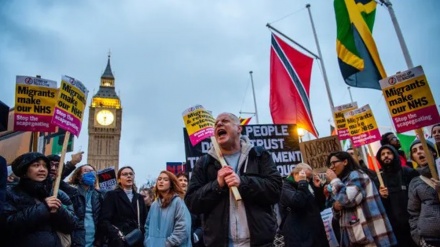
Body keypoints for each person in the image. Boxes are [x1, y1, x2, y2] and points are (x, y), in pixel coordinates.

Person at [185, 112, 282, 247]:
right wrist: (217, 185)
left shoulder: (259, 155)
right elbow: (192, 202)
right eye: (216, 123)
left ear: (239, 128)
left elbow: (275, 190)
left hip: (259, 243)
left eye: (225, 121)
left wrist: (243, 183)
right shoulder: (204, 163)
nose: (219, 124)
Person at [0, 152, 77, 247]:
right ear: (24, 171)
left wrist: (59, 209)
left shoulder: (58, 194)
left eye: (45, 166)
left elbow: (71, 225)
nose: (42, 169)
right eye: (36, 165)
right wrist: (43, 208)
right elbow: (8, 225)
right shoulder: (10, 193)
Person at [325, 151, 396, 246]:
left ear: (345, 162)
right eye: (330, 164)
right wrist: (335, 207)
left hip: (370, 237)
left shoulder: (356, 175)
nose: (331, 167)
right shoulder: (343, 181)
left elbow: (347, 200)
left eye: (334, 163)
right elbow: (337, 207)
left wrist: (334, 180)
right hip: (355, 237)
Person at [376, 145, 418, 247]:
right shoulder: (378, 178)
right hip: (394, 226)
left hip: (413, 222)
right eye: (383, 154)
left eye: (389, 153)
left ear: (394, 155)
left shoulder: (408, 172)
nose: (386, 156)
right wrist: (381, 196)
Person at [279, 163, 329, 247]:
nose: (307, 180)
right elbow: (297, 202)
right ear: (295, 174)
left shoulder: (307, 186)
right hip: (299, 237)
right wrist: (302, 183)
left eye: (309, 178)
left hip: (314, 234)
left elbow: (319, 206)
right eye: (305, 176)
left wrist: (317, 189)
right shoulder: (286, 187)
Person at [100, 166, 146, 247]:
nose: (129, 176)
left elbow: (144, 220)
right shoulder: (112, 195)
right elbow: (104, 220)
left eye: (131, 174)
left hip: (136, 240)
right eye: (125, 174)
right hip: (119, 241)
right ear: (119, 179)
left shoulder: (139, 198)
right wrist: (116, 235)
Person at [144, 170, 192, 247]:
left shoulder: (178, 202)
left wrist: (166, 244)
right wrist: (148, 242)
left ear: (171, 184)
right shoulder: (154, 205)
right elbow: (147, 226)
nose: (161, 181)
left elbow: (182, 229)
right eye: (159, 179)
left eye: (165, 180)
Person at [407, 140, 440, 246]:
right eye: (414, 151)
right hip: (430, 240)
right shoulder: (415, 182)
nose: (419, 152)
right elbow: (413, 213)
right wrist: (419, 239)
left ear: (433, 152)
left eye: (422, 148)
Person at [63, 164, 103, 247]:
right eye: (86, 171)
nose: (90, 173)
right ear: (78, 176)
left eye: (92, 171)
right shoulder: (72, 191)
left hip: (94, 241)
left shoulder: (99, 195)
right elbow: (57, 180)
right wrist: (71, 163)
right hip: (76, 240)